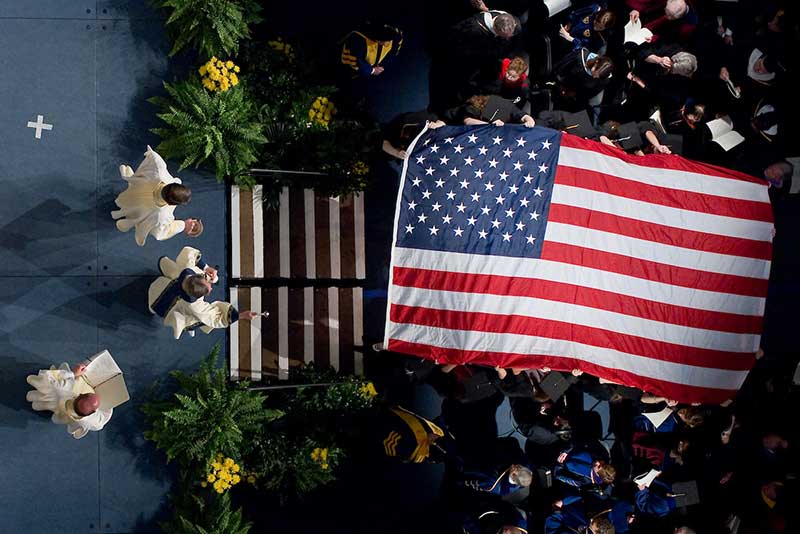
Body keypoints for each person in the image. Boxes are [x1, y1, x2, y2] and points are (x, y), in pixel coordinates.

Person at [148, 246, 257, 339]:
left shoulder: (189, 272)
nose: (211, 287)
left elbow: (188, 255)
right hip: (164, 308)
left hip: (158, 288)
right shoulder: (195, 306)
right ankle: (186, 325)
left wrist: (206, 267)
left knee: (175, 271)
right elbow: (215, 318)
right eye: (209, 288)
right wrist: (241, 315)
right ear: (198, 296)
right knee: (201, 319)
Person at [111, 146, 201, 246]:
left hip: (133, 190)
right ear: (171, 204)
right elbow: (160, 234)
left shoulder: (159, 169)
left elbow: (152, 155)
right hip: (132, 210)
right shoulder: (161, 216)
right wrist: (183, 225)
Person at [26, 362, 113, 439]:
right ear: (94, 411)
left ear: (80, 394)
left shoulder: (62, 387)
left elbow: (45, 376)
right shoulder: (89, 421)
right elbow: (99, 425)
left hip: (52, 399)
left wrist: (72, 374)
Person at [446, 94, 536, 127]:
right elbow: (468, 121)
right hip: (446, 118)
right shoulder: (473, 106)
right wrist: (490, 125)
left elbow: (522, 115)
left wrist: (530, 121)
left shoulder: (507, 107)